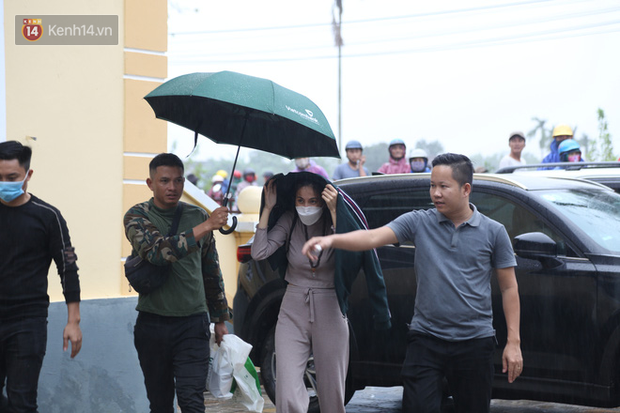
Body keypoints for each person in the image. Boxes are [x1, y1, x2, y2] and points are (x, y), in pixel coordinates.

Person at [302, 153, 523, 413]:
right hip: (426, 340)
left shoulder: (493, 232)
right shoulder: (419, 222)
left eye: (443, 186)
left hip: (474, 343)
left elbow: (509, 288)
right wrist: (332, 241)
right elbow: (372, 237)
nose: (436, 193)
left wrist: (513, 342)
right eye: (432, 185)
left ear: (466, 189)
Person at [251, 171, 391, 413]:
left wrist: (336, 211)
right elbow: (259, 252)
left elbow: (353, 255)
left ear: (323, 201)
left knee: (332, 391)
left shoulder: (334, 222)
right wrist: (267, 210)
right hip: (293, 307)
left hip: (330, 307)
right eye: (300, 201)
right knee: (287, 391)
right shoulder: (288, 220)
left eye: (312, 201)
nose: (306, 207)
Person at [124, 153, 231, 413]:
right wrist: (206, 226)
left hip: (193, 323)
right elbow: (159, 253)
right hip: (153, 324)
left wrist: (219, 319)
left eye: (178, 180)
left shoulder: (197, 215)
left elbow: (211, 270)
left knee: (192, 400)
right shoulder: (137, 216)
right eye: (164, 181)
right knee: (160, 404)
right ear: (151, 183)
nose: (172, 187)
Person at [0, 140, 82, 412]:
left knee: (21, 400)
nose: (4, 183)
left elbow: (68, 268)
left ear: (28, 175)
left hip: (27, 321)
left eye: (11, 177)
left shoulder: (48, 217)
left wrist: (73, 321)